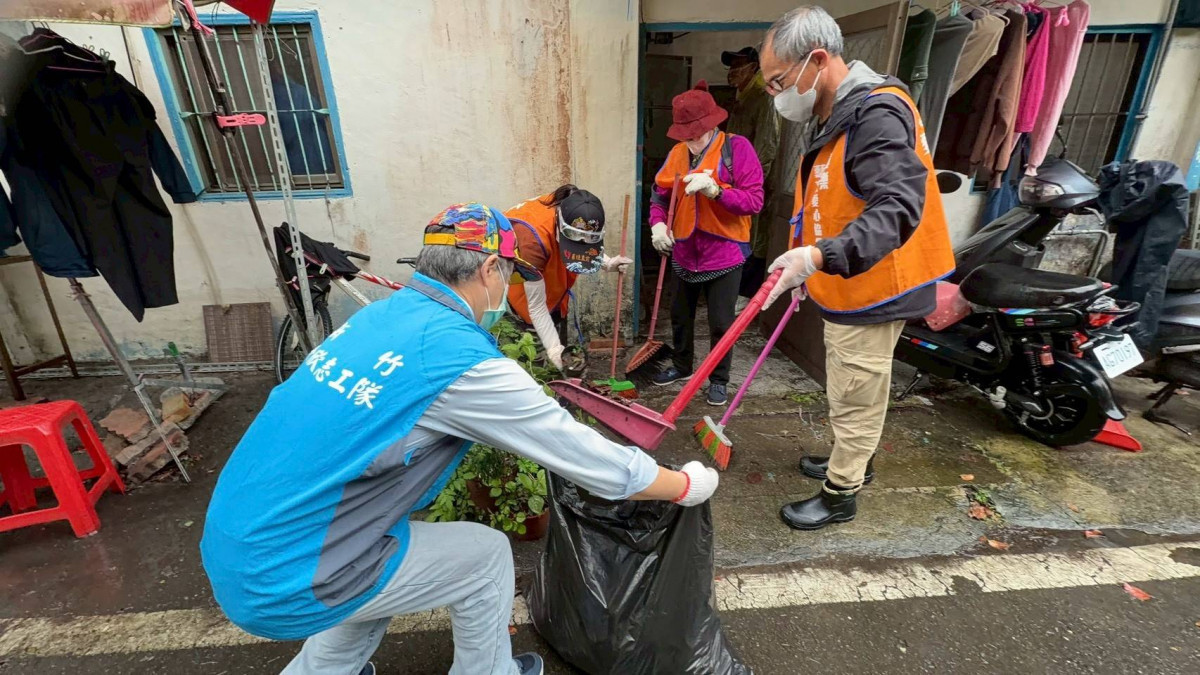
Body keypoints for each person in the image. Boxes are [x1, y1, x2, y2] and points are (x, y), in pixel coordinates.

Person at [200, 203, 719, 675]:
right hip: (290, 573)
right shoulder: (457, 360)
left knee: (378, 562)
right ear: (491, 270)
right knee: (485, 556)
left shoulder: (381, 315)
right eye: (510, 273)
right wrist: (682, 484)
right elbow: (582, 456)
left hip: (240, 545)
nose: (508, 287)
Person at [758, 6, 955, 530]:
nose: (777, 95)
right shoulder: (839, 113)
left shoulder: (875, 115)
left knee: (856, 390)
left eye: (780, 81)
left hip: (875, 284)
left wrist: (819, 257)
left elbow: (896, 208)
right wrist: (807, 263)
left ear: (817, 60)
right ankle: (852, 457)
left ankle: (841, 491)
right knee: (851, 386)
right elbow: (830, 200)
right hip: (849, 278)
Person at [649, 81, 765, 406]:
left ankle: (718, 379)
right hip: (684, 251)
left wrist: (717, 191)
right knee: (679, 316)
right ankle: (683, 365)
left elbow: (755, 201)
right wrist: (657, 225)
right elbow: (659, 196)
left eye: (696, 135)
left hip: (725, 252)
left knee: (721, 323)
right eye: (685, 136)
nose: (691, 142)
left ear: (712, 124)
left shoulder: (737, 149)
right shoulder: (677, 154)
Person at [505, 187, 632, 370]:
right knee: (536, 354)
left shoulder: (575, 204)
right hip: (524, 289)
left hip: (553, 281)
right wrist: (554, 348)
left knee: (555, 325)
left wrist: (607, 263)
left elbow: (585, 244)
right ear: (560, 226)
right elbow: (536, 308)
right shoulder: (532, 241)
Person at [722, 46, 783, 309]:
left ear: (754, 67)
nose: (732, 73)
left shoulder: (763, 98)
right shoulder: (742, 98)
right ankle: (734, 291)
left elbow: (766, 147)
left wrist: (753, 187)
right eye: (731, 67)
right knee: (737, 235)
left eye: (738, 67)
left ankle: (747, 295)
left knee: (754, 238)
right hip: (734, 183)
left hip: (752, 185)